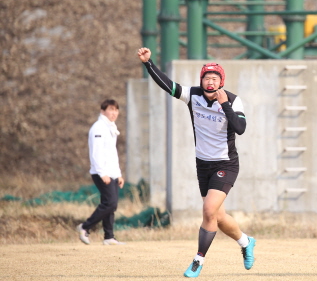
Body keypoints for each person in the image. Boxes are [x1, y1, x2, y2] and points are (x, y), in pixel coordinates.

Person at [136, 47, 255, 278]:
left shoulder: (233, 100)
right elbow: (167, 85)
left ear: (221, 81)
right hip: (203, 164)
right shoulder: (193, 95)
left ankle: (198, 260)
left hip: (226, 164)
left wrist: (225, 105)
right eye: (206, 78)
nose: (210, 82)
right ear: (201, 81)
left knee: (208, 210)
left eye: (215, 78)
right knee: (217, 216)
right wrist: (148, 63)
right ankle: (246, 242)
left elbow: (240, 128)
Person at [77, 99, 126, 246]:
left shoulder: (110, 127)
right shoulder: (98, 128)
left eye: (116, 110)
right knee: (110, 203)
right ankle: (85, 227)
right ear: (102, 111)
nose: (114, 113)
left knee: (111, 204)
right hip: (101, 173)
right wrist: (102, 173)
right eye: (111, 109)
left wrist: (118, 174)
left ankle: (109, 237)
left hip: (111, 173)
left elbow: (112, 154)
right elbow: (96, 153)